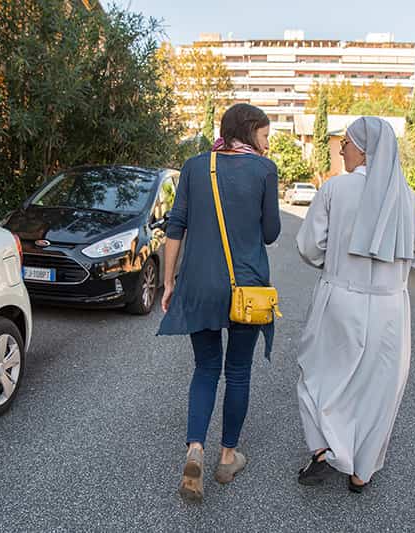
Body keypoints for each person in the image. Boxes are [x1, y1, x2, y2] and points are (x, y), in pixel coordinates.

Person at [295, 116, 415, 493]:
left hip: (340, 298)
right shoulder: (409, 198)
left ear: (365, 149)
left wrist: (336, 259)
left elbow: (308, 246)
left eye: (346, 144)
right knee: (379, 389)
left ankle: (326, 448)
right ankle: (361, 471)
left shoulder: (335, 189)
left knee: (318, 376)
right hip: (390, 309)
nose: (341, 150)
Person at [158, 103, 281, 503]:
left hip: (199, 284)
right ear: (248, 131)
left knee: (206, 368)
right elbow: (270, 233)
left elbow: (176, 225)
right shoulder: (264, 170)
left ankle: (195, 448)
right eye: (264, 134)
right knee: (239, 372)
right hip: (246, 289)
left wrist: (168, 282)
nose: (268, 141)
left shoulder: (195, 166)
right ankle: (227, 457)